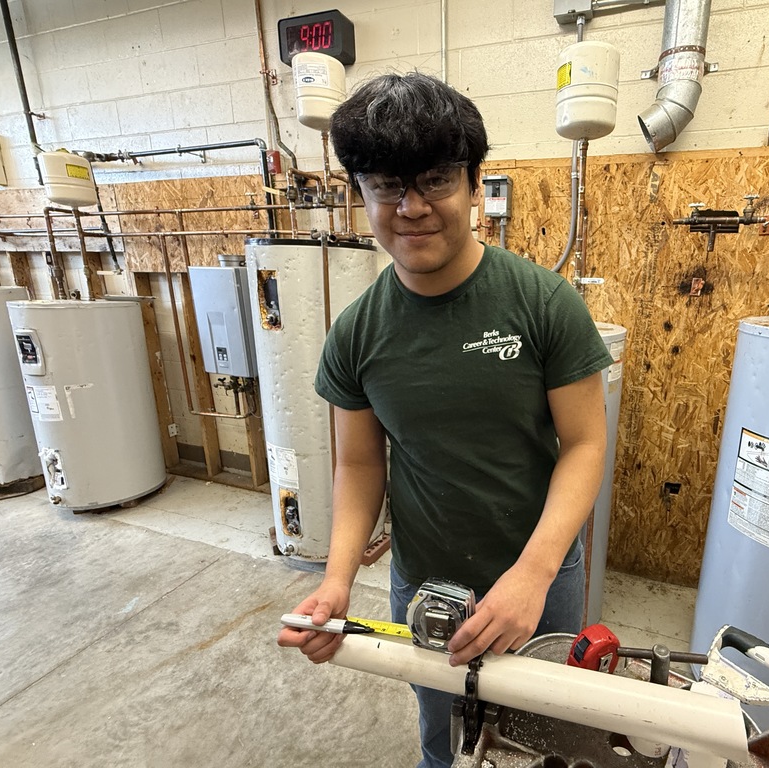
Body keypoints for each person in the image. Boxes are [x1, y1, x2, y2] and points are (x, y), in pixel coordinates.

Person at [277, 71, 613, 768]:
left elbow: (584, 445)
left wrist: (533, 574)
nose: (412, 207)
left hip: (541, 575)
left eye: (435, 180)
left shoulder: (544, 305)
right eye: (386, 186)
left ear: (473, 185)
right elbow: (358, 464)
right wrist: (338, 580)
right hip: (426, 587)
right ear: (360, 194)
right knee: (445, 738)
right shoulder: (356, 333)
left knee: (541, 743)